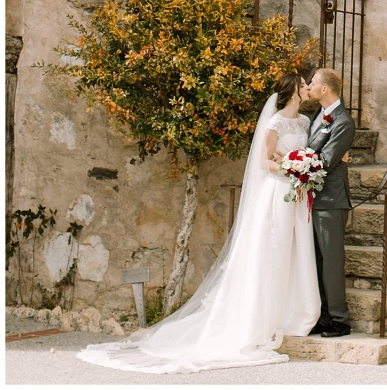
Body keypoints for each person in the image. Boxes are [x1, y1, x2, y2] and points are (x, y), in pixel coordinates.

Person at [77, 73, 321, 374]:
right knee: (274, 250)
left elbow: (306, 152)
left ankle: (297, 312)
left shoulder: (305, 123)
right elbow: (263, 162)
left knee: (297, 250)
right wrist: (290, 168)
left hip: (297, 195)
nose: (308, 87)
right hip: (278, 191)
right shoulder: (274, 124)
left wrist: (305, 166)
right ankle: (263, 318)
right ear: (295, 91)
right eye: (304, 84)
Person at [307, 67, 356, 338]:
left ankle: (340, 319)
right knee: (317, 261)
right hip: (314, 199)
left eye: (313, 82)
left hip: (331, 201)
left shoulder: (343, 122)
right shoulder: (319, 115)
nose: (309, 86)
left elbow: (326, 161)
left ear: (325, 89)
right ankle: (324, 317)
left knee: (332, 261)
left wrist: (292, 160)